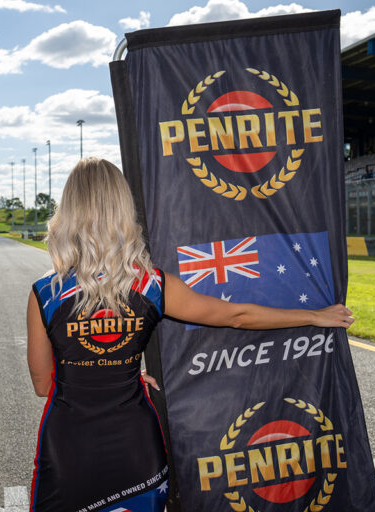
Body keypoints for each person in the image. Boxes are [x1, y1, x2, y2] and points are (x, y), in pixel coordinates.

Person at [26, 157, 353, 512]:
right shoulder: (151, 285)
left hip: (69, 450)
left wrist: (97, 370)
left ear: (68, 212)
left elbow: (44, 385)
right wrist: (314, 315)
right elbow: (237, 316)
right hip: (136, 448)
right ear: (123, 209)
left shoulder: (45, 293)